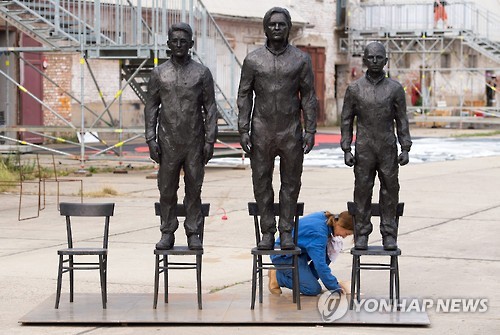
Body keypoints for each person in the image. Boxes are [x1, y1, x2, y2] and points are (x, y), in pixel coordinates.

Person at [237, 7, 318, 250]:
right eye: (272, 24)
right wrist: (243, 129)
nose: (276, 28)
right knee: (261, 182)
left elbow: (309, 96)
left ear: (288, 28)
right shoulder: (253, 60)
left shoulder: (301, 59)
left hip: (290, 129)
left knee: (291, 183)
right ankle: (267, 231)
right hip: (261, 129)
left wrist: (311, 130)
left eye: (281, 24)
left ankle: (286, 231)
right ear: (265, 28)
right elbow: (244, 95)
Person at [144, 22, 218, 250]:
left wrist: (210, 140)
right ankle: (167, 231)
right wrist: (150, 138)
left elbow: (211, 108)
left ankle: (193, 232)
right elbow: (151, 108)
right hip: (167, 142)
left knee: (194, 189)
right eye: (174, 41)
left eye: (183, 41)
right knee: (166, 190)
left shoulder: (201, 73)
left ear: (191, 45)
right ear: (168, 44)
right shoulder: (159, 73)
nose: (178, 45)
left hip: (194, 141)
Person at [340, 42, 412, 251]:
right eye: (370, 58)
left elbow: (402, 120)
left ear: (385, 61)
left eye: (378, 58)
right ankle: (362, 233)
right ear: (364, 60)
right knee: (362, 191)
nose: (374, 61)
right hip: (364, 147)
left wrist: (405, 147)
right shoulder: (354, 89)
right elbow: (346, 120)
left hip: (387, 147)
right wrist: (346, 148)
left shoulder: (395, 89)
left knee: (390, 190)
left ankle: (389, 233)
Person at [269, 211, 354, 296]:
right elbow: (320, 265)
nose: (343, 237)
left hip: (298, 252)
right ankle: (277, 277)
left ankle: (304, 277)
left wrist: (333, 283)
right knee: (313, 289)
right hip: (283, 255)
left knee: (329, 251)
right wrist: (336, 288)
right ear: (339, 224)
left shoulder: (325, 217)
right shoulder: (318, 234)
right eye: (346, 233)